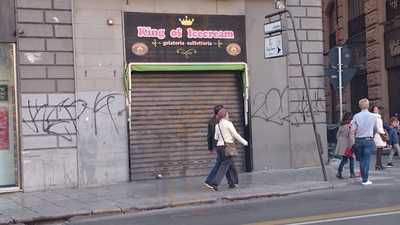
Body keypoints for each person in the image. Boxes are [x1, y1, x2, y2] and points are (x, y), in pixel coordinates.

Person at [210, 108, 248, 191]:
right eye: (227, 114)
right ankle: (215, 183)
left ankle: (232, 183)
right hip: (226, 147)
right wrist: (245, 142)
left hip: (219, 147)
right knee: (224, 166)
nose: (228, 115)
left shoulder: (218, 125)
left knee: (230, 165)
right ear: (225, 115)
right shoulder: (228, 123)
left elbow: (216, 137)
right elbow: (235, 134)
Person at [204, 105, 232, 190]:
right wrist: (210, 148)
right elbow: (209, 136)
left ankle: (231, 182)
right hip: (222, 146)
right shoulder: (218, 122)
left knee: (225, 163)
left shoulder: (215, 121)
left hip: (222, 146)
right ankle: (210, 181)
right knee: (223, 163)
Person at [351, 98, 377, 185]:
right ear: (368, 105)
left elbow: (353, 130)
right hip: (368, 140)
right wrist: (372, 134)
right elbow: (375, 129)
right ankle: (365, 179)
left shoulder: (356, 116)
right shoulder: (373, 116)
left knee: (362, 160)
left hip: (358, 140)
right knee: (366, 160)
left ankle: (364, 178)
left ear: (360, 106)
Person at [335, 112, 356, 179]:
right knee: (351, 159)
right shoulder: (350, 126)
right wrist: (352, 146)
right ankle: (352, 173)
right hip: (348, 145)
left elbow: (337, 135)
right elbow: (350, 137)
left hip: (341, 145)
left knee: (344, 159)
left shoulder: (341, 125)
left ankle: (339, 172)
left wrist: (340, 142)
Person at [371, 105, 387, 170]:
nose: (376, 110)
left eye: (377, 109)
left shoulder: (378, 117)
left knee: (379, 151)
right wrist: (382, 133)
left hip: (379, 135)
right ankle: (378, 165)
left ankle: (378, 165)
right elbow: (378, 127)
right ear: (372, 110)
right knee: (379, 151)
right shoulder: (375, 117)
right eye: (375, 109)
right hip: (379, 135)